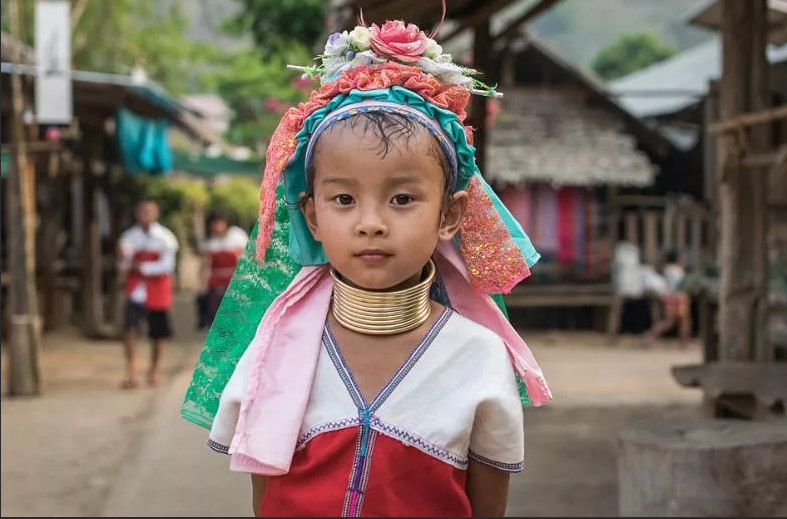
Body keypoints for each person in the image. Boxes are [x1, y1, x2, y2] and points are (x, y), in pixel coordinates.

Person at [182, 13, 550, 517]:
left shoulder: (480, 358)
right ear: (310, 215)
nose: (370, 223)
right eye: (343, 200)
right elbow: (265, 503)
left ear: (450, 214)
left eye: (401, 198)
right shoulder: (274, 350)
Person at [118, 199, 179, 389]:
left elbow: (167, 266)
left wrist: (142, 267)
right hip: (136, 290)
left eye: (149, 211)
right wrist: (126, 262)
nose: (145, 215)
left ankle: (153, 370)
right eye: (142, 211)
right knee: (129, 329)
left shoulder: (165, 238)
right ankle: (131, 371)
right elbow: (122, 264)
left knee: (157, 334)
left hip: (157, 291)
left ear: (156, 214)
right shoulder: (128, 237)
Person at [197, 214, 249, 329]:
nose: (216, 227)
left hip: (234, 278)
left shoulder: (237, 237)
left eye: (218, 223)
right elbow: (206, 265)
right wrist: (203, 283)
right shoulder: (210, 243)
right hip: (216, 280)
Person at [641, 249, 691, 349]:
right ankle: (683, 344)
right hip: (678, 297)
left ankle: (647, 338)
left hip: (669, 297)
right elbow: (680, 285)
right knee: (684, 321)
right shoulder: (677, 270)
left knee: (668, 322)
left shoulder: (667, 269)